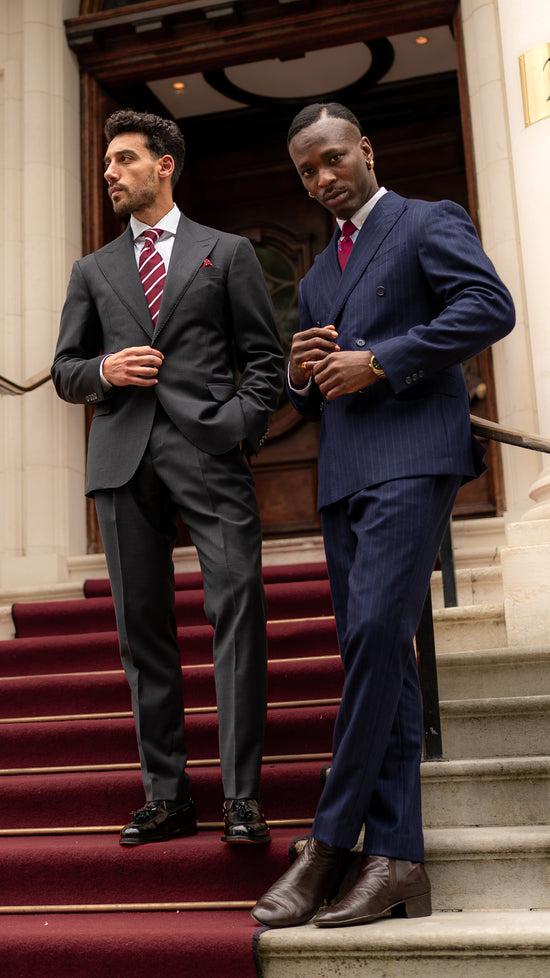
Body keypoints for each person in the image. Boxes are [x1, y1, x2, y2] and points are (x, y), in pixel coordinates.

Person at [252, 102, 515, 928]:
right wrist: (304, 372)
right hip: (344, 474)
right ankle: (398, 860)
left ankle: (331, 841)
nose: (323, 179)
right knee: (385, 658)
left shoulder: (427, 221)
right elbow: (324, 377)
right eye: (307, 171)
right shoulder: (320, 269)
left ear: (364, 149)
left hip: (413, 456)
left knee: (370, 635)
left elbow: (488, 308)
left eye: (333, 159)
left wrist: (382, 361)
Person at [52, 110, 284, 847]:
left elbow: (267, 360)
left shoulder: (229, 251)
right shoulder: (92, 270)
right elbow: (63, 369)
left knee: (237, 608)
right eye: (108, 163)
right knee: (141, 630)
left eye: (124, 160)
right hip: (121, 460)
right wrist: (102, 370)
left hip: (210, 452)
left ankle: (242, 798)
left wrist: (241, 424)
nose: (111, 173)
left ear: (164, 166)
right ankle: (168, 794)